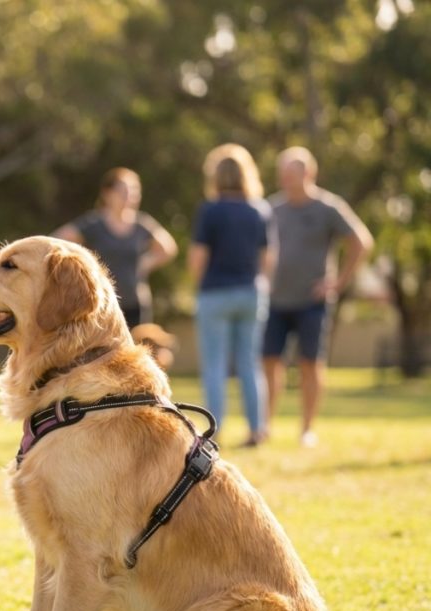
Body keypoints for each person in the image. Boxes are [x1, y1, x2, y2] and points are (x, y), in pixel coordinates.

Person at [263, 146, 373, 447]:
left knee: (310, 363)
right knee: (270, 363)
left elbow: (361, 242)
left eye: (291, 174)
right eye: (282, 174)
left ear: (308, 174)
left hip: (312, 302)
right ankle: (266, 426)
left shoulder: (328, 208)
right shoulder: (272, 209)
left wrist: (337, 282)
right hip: (275, 301)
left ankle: (307, 429)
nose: (285, 179)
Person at [188, 144, 274, 447]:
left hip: (215, 293)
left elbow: (198, 258)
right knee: (250, 363)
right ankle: (257, 429)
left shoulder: (211, 210)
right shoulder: (259, 210)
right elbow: (268, 259)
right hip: (251, 292)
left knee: (215, 364)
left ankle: (215, 429)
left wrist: (199, 285)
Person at [53, 167, 178, 328]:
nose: (129, 196)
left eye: (134, 191)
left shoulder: (142, 224)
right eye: (123, 191)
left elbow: (168, 248)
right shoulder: (93, 224)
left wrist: (145, 264)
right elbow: (57, 240)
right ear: (107, 193)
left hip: (135, 304)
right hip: (102, 305)